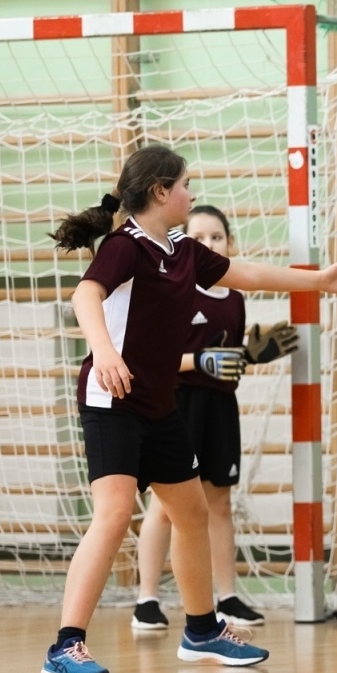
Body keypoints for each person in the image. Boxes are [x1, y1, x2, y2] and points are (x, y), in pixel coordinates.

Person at [41, 144, 337, 673]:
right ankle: (64, 647)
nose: (193, 194)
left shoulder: (182, 250)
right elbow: (86, 296)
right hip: (112, 400)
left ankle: (201, 632)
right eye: (186, 184)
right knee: (115, 512)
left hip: (158, 402)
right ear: (161, 191)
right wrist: (103, 351)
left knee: (192, 513)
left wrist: (318, 282)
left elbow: (247, 272)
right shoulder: (125, 247)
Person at [132, 204, 299, 632]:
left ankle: (226, 597)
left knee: (220, 503)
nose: (208, 244)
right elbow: (159, 362)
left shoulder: (236, 298)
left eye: (217, 237)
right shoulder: (177, 289)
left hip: (220, 408)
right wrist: (200, 361)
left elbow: (224, 360)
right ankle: (146, 599)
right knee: (166, 506)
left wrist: (253, 356)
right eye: (199, 237)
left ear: (230, 243)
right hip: (176, 403)